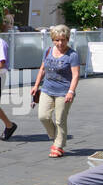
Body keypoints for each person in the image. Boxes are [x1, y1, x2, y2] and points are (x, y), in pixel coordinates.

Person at [31, 24, 81, 157]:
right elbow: (42, 69)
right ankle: (57, 137)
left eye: (63, 40)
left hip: (64, 92)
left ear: (67, 39)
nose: (60, 43)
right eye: (57, 40)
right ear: (53, 39)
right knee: (43, 116)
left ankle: (58, 145)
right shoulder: (48, 51)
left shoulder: (72, 55)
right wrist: (36, 85)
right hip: (47, 89)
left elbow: (75, 75)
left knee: (60, 120)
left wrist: (71, 91)